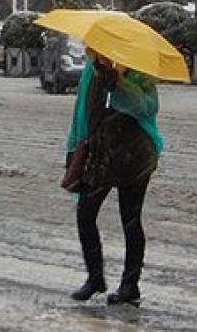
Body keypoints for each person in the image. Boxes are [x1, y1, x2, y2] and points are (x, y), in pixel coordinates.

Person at [65, 50, 162, 307]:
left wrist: (118, 82)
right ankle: (95, 277)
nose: (90, 49)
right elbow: (82, 111)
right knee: (85, 214)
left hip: (134, 154)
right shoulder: (92, 68)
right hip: (101, 152)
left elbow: (147, 107)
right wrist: (74, 147)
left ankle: (130, 285)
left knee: (130, 219)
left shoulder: (139, 69)